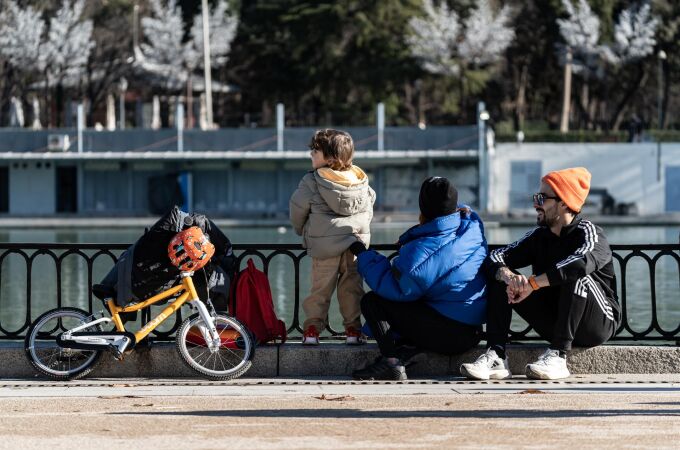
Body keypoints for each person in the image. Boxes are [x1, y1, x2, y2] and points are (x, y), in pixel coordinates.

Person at [460, 167, 621, 381]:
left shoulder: (590, 234)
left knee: (576, 275)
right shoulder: (539, 236)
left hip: (597, 323)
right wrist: (509, 277)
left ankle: (558, 355)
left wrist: (533, 284)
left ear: (564, 202)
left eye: (542, 198)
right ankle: (497, 355)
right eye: (536, 197)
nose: (536, 204)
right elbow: (495, 256)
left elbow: (580, 264)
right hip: (555, 320)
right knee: (501, 278)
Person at [350, 176, 487, 380]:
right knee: (426, 299)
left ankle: (391, 362)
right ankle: (408, 350)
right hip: (473, 331)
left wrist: (362, 253)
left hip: (450, 334)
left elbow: (394, 287)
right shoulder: (471, 227)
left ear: (423, 208)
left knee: (372, 302)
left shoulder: (422, 250)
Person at [289, 129, 375, 345]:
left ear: (330, 158)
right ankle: (353, 332)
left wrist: (303, 231)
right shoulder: (360, 180)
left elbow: (297, 209)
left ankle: (311, 330)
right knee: (352, 290)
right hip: (354, 247)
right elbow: (370, 204)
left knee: (319, 290)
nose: (311, 154)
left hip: (324, 247)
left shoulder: (312, 181)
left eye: (315, 151)